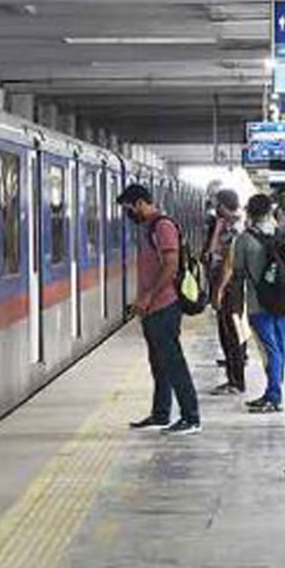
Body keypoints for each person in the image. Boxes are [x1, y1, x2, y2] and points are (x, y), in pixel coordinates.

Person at [119, 183, 202, 435]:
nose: (129, 214)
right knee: (159, 363)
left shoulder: (162, 226)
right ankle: (161, 414)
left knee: (174, 363)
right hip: (153, 307)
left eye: (129, 208)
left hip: (164, 305)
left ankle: (191, 417)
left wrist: (148, 297)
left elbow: (170, 266)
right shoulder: (149, 227)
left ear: (141, 203)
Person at [220, 193, 285, 413]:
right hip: (283, 300)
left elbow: (237, 275)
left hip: (259, 303)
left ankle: (274, 395)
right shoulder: (281, 234)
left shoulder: (244, 239)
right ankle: (275, 389)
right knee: (280, 347)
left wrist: (238, 307)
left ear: (249, 212)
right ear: (270, 212)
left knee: (270, 350)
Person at [205, 189, 247, 396]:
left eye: (216, 204)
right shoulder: (228, 225)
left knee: (231, 334)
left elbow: (228, 262)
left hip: (231, 286)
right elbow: (212, 251)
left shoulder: (236, 228)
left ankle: (236, 382)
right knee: (227, 333)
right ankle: (233, 378)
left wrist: (219, 291)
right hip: (228, 284)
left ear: (222, 206)